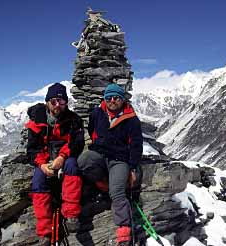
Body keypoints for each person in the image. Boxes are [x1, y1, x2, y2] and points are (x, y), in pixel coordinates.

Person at [77, 83, 143, 246]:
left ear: (122, 99)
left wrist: (133, 167)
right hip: (100, 154)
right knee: (84, 161)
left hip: (119, 160)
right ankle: (105, 186)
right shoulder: (97, 113)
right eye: (109, 98)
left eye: (116, 98)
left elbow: (136, 145)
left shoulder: (131, 119)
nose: (112, 101)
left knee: (118, 192)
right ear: (104, 99)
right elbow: (92, 131)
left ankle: (124, 227)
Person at [26, 83, 85, 245]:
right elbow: (32, 149)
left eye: (61, 101)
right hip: (45, 162)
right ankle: (45, 231)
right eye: (53, 101)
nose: (58, 105)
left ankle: (71, 214)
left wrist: (62, 157)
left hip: (65, 159)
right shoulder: (36, 122)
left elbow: (76, 143)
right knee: (38, 180)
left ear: (66, 103)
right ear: (47, 102)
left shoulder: (74, 120)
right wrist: (43, 165)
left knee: (72, 166)